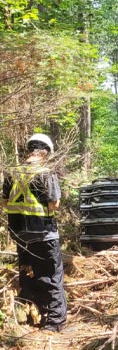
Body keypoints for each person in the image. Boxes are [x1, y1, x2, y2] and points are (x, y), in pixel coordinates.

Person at [2, 133, 67, 332]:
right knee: (52, 276)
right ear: (44, 152)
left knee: (28, 273)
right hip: (44, 232)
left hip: (20, 234)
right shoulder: (46, 173)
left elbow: (4, 202)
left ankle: (30, 317)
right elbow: (54, 204)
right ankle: (54, 322)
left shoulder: (12, 173)